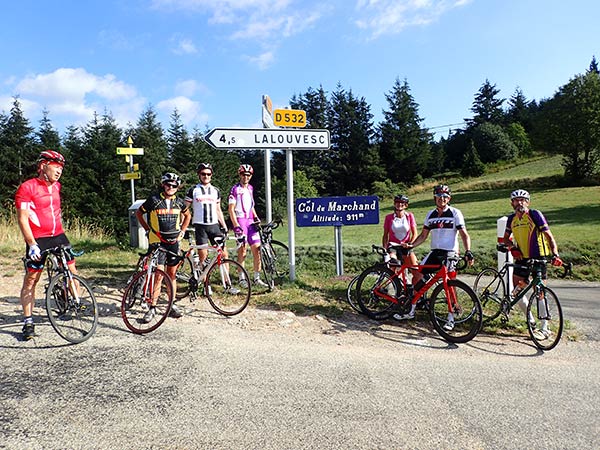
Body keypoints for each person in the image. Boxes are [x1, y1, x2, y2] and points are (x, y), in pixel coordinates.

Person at [395, 184, 474, 329]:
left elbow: (464, 234)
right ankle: (412, 308)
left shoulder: (455, 213)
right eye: (438, 196)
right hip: (435, 252)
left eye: (444, 197)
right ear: (434, 198)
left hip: (450, 253)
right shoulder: (430, 214)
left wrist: (468, 251)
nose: (441, 199)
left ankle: (451, 316)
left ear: (449, 198)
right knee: (417, 275)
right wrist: (411, 245)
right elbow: (423, 235)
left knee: (449, 284)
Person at [15, 150, 74, 340]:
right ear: (43, 166)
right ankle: (28, 321)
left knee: (72, 270)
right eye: (56, 167)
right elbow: (23, 219)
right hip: (38, 238)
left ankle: (70, 300)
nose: (59, 172)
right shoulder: (27, 188)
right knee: (32, 279)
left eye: (61, 168)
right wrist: (31, 244)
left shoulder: (57, 187)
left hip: (58, 235)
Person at [502, 189, 562, 335]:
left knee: (540, 292)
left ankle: (545, 327)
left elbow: (548, 235)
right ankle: (530, 320)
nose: (519, 203)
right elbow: (505, 239)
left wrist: (555, 254)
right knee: (516, 291)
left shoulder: (535, 215)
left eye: (523, 200)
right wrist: (512, 248)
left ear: (528, 202)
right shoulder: (511, 219)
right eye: (516, 200)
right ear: (512, 203)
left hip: (539, 258)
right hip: (522, 259)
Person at [136, 172, 191, 322]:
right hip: (157, 242)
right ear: (163, 185)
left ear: (177, 187)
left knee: (171, 274)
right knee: (159, 274)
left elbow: (188, 216)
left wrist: (183, 231)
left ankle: (171, 304)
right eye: (168, 184)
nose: (171, 187)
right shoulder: (153, 200)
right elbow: (139, 213)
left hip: (173, 242)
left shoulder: (179, 202)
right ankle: (152, 307)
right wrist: (147, 229)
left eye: (174, 185)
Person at [184, 162, 239, 295]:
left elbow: (218, 209)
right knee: (204, 258)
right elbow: (184, 210)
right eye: (203, 174)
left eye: (208, 174)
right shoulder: (193, 190)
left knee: (224, 254)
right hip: (200, 227)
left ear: (212, 175)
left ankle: (227, 284)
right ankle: (205, 285)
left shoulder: (216, 191)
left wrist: (224, 226)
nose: (206, 176)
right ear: (199, 175)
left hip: (214, 226)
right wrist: (182, 227)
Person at [228, 164, 268, 288]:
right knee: (243, 250)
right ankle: (242, 278)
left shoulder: (250, 188)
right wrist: (236, 225)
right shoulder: (235, 189)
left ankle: (257, 278)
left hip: (250, 221)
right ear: (239, 175)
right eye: (243, 174)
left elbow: (251, 206)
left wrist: (256, 217)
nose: (246, 177)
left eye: (248, 175)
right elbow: (231, 209)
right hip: (240, 221)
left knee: (258, 249)